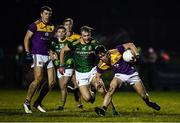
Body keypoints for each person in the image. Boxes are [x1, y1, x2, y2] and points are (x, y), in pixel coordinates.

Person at [59, 26, 118, 115]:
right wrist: (61, 65)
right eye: (84, 36)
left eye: (88, 35)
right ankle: (92, 91)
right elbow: (63, 50)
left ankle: (113, 110)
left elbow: (102, 54)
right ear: (81, 36)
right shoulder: (75, 44)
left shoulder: (94, 43)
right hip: (80, 74)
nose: (87, 38)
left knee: (101, 89)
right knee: (88, 99)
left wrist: (101, 66)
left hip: (92, 71)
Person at [94, 44, 161, 116]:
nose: (102, 58)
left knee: (143, 96)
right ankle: (103, 110)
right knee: (111, 89)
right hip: (119, 76)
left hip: (132, 74)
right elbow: (98, 75)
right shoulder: (101, 64)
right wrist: (98, 82)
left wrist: (136, 55)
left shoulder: (116, 51)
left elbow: (130, 44)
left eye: (103, 55)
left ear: (107, 53)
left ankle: (149, 103)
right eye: (100, 57)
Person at [23, 6, 56, 113]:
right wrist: (27, 52)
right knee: (38, 79)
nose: (48, 16)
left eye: (49, 14)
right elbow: (26, 38)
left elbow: (51, 42)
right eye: (46, 14)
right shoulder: (35, 25)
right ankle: (27, 102)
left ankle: (37, 103)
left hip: (48, 55)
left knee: (51, 83)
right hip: (38, 54)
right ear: (41, 14)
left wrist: (52, 51)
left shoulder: (51, 27)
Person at [50, 25, 83, 110]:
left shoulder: (70, 41)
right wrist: (52, 56)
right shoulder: (54, 43)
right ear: (56, 33)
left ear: (65, 33)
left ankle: (71, 99)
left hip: (68, 66)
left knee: (64, 84)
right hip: (59, 66)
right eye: (59, 32)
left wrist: (73, 60)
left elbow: (77, 51)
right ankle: (62, 105)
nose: (60, 33)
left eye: (62, 32)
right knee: (62, 88)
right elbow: (51, 51)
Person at [62, 18, 84, 109]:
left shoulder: (77, 37)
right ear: (64, 26)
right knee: (63, 85)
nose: (68, 26)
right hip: (63, 63)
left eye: (70, 24)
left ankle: (79, 103)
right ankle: (65, 102)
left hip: (74, 62)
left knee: (75, 82)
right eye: (66, 24)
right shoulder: (60, 36)